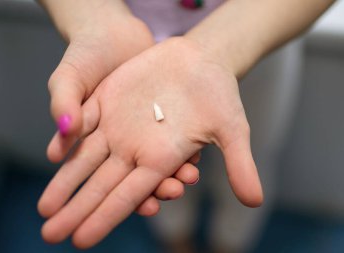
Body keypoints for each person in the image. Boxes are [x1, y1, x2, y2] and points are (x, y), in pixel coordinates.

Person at [36, 0, 336, 250]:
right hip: (128, 54)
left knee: (251, 157)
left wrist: (219, 49)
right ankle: (176, 238)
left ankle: (230, 242)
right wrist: (95, 17)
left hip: (259, 38)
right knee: (154, 168)